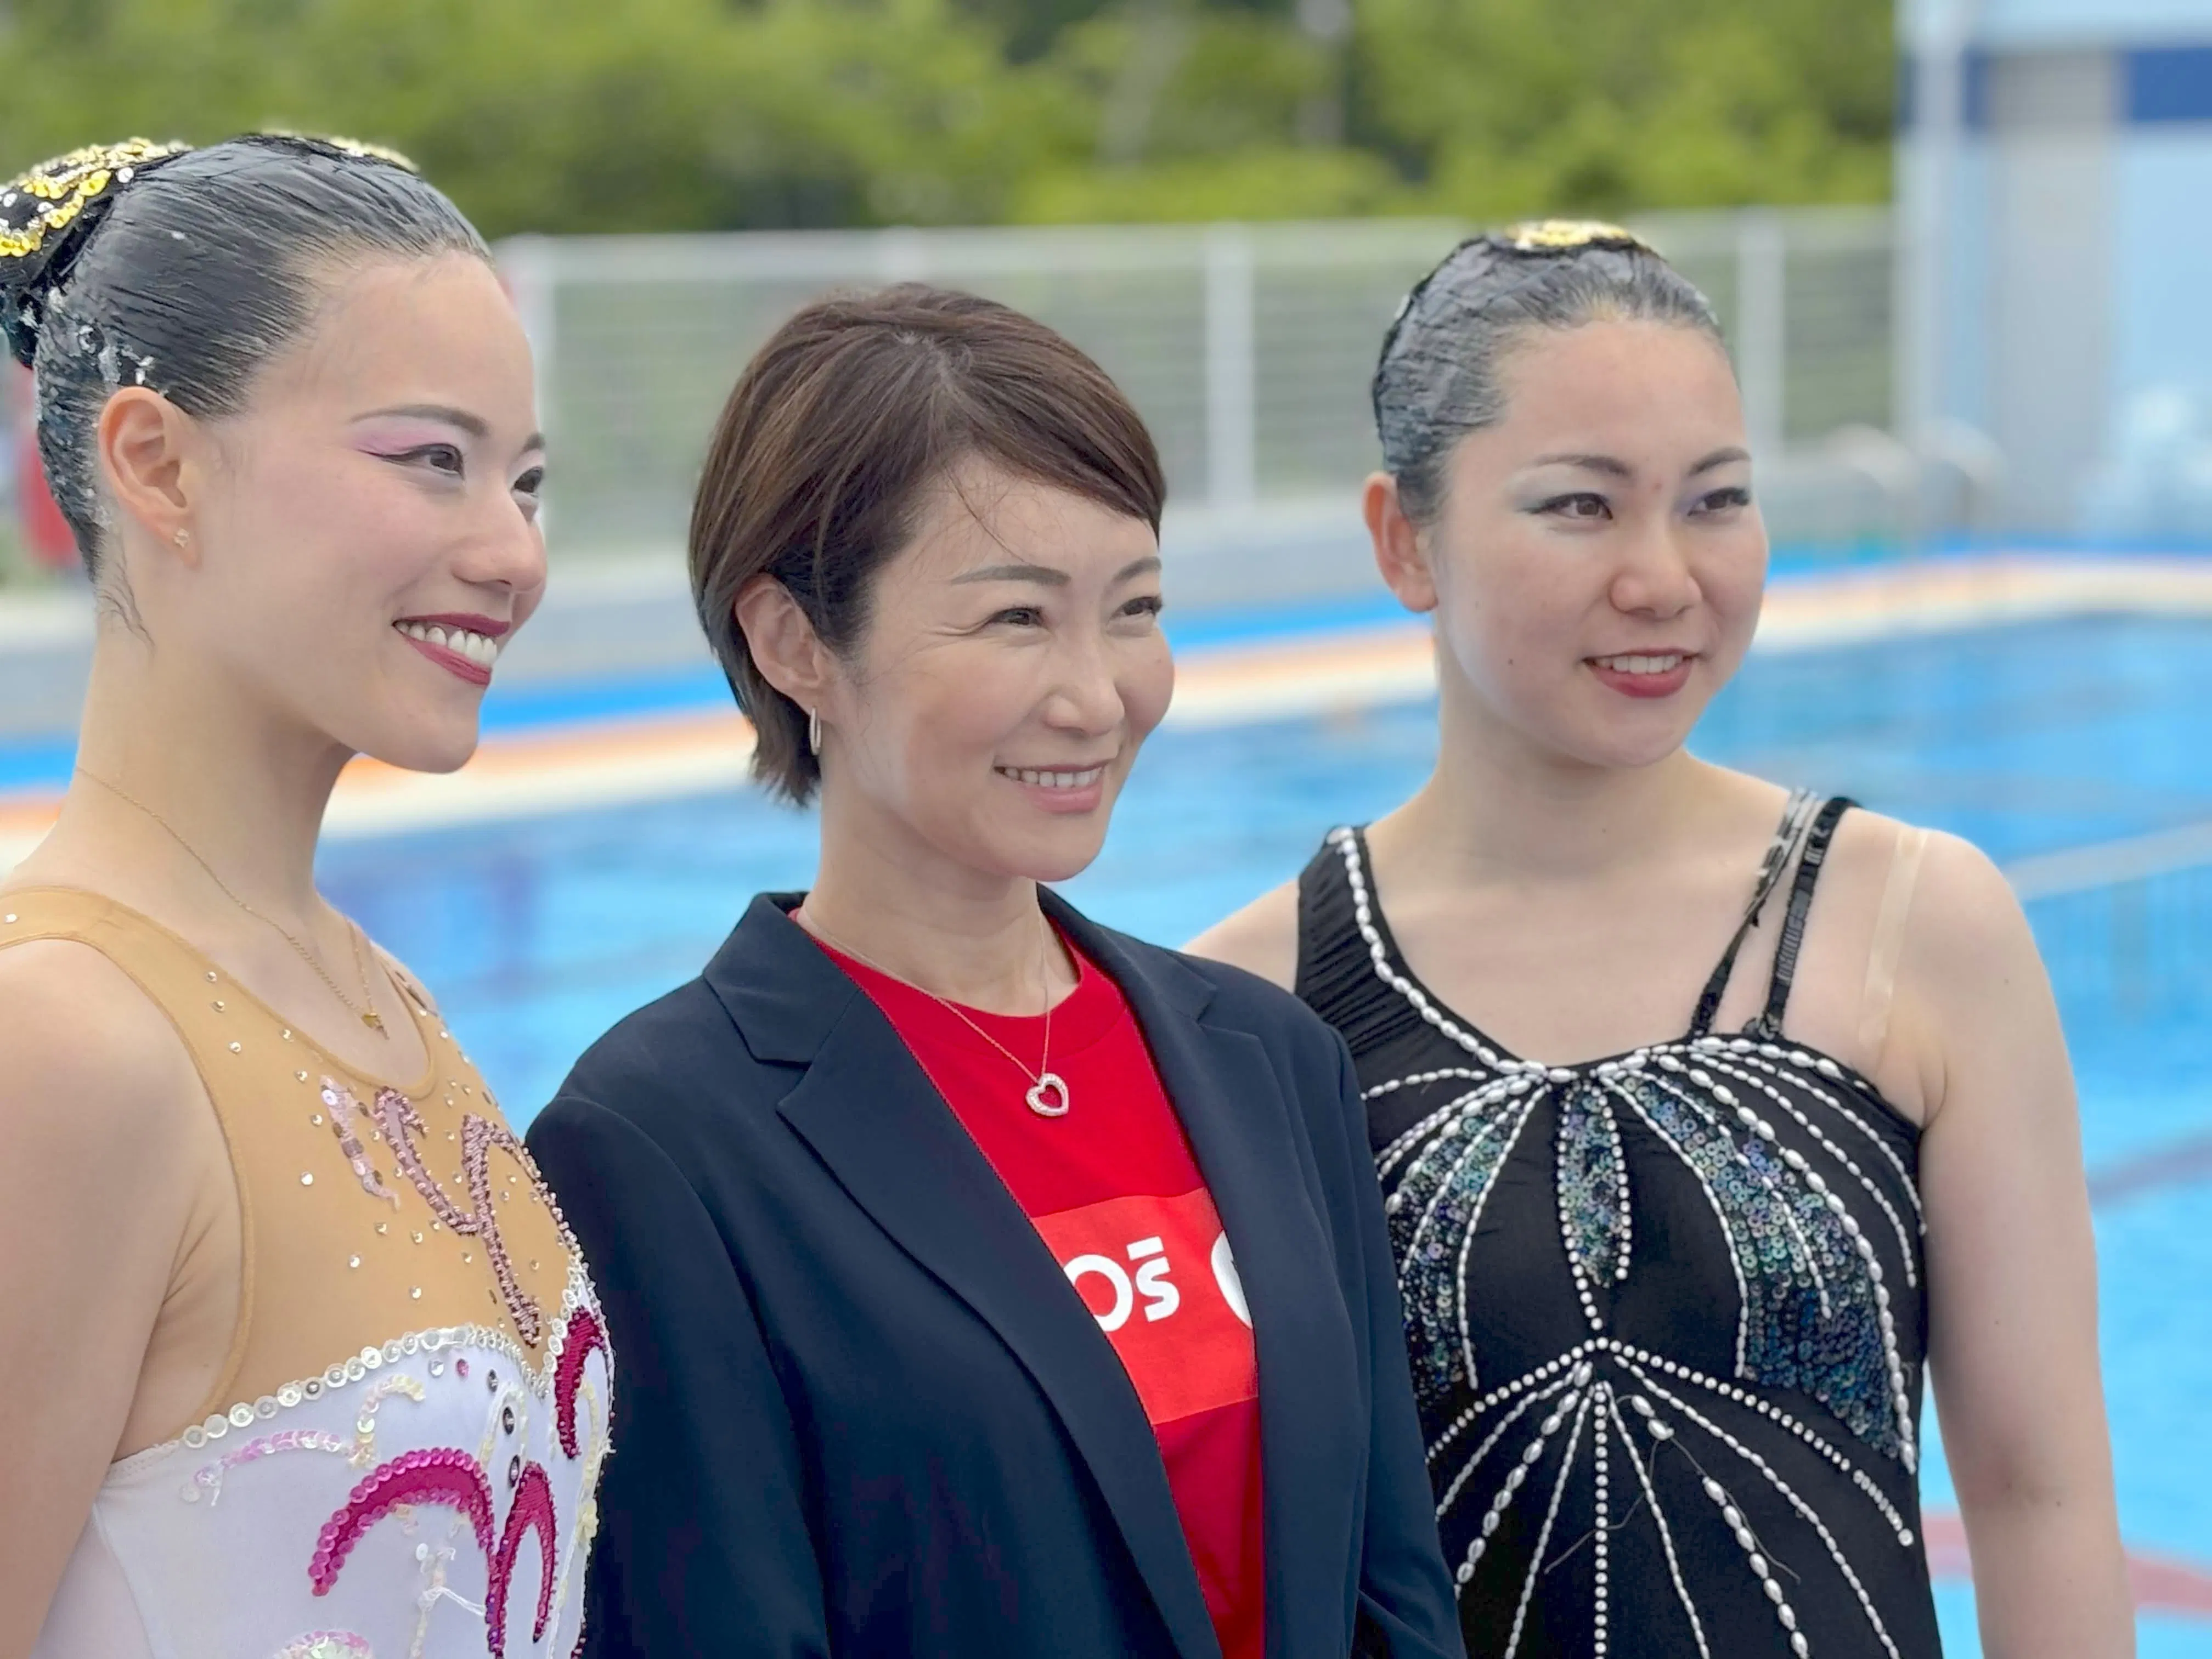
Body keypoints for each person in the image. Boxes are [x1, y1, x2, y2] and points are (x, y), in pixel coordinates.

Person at [1189, 223, 2133, 1658]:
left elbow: (2037, 1490)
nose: (1663, 578)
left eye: (1716, 500)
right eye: (1581, 505)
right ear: (1404, 540)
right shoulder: (1248, 1006)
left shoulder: (1915, 920)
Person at [525, 284, 1464, 1658]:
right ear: (795, 642)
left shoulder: (1270, 1060)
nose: (1096, 694)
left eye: (1135, 608)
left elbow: (1391, 1591)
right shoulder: (659, 1141)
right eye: (1018, 618)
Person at [0, 136, 612, 1657]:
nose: (513, 552)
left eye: (527, 481)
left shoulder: (383, 999)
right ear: (158, 466)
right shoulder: (59, 1043)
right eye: (432, 460)